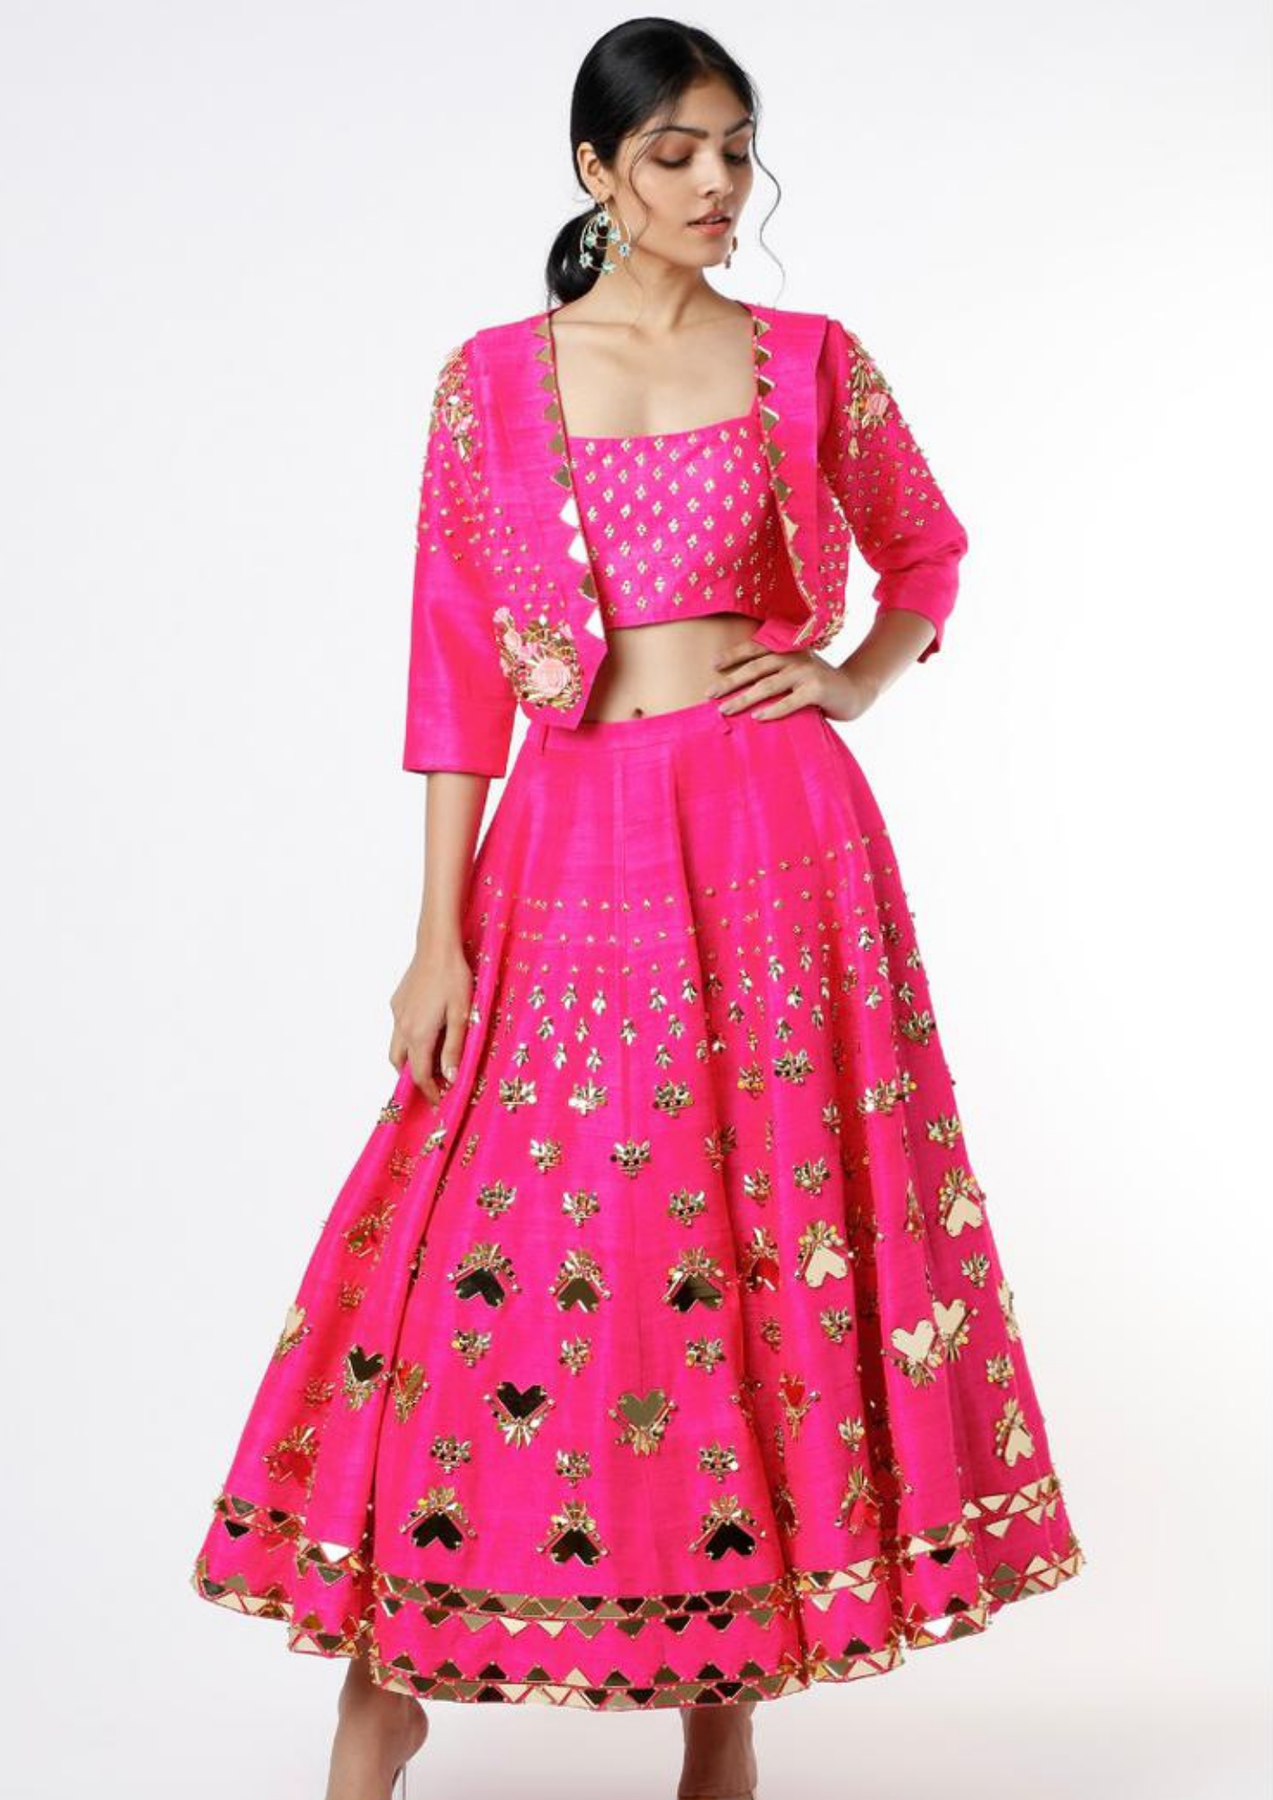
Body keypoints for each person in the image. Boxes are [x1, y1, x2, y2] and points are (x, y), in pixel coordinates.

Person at [190, 20, 1085, 1800]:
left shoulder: (810, 360)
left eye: (737, 150)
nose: (716, 185)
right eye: (675, 153)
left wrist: (856, 678)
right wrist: (435, 936)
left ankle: (722, 1720)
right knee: (507, 1238)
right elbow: (457, 672)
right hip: (572, 840)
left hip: (777, 841)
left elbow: (926, 548)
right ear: (596, 170)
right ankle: (384, 1681)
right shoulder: (492, 380)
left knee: (754, 1230)